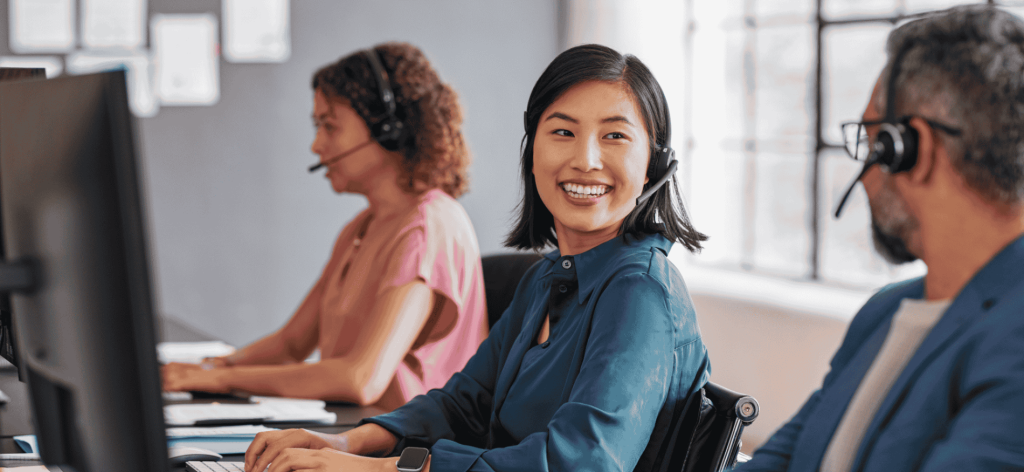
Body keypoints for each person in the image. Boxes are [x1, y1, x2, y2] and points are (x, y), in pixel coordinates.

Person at [241, 44, 711, 472]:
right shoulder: (546, 279)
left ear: (653, 164)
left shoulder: (640, 292)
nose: (585, 159)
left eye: (615, 136)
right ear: (532, 153)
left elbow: (579, 464)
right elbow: (463, 404)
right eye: (563, 131)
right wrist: (347, 443)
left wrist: (378, 469)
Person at [736, 5, 1024, 471]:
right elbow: (783, 460)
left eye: (869, 141)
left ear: (911, 149)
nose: (865, 170)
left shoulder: (1014, 335)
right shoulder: (885, 312)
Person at [161, 43, 488, 411]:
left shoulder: (427, 230)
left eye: (329, 127)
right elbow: (290, 344)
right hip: (360, 431)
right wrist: (211, 368)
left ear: (388, 130)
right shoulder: (361, 228)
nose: (317, 146)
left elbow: (360, 379)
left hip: (410, 442)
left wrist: (220, 381)